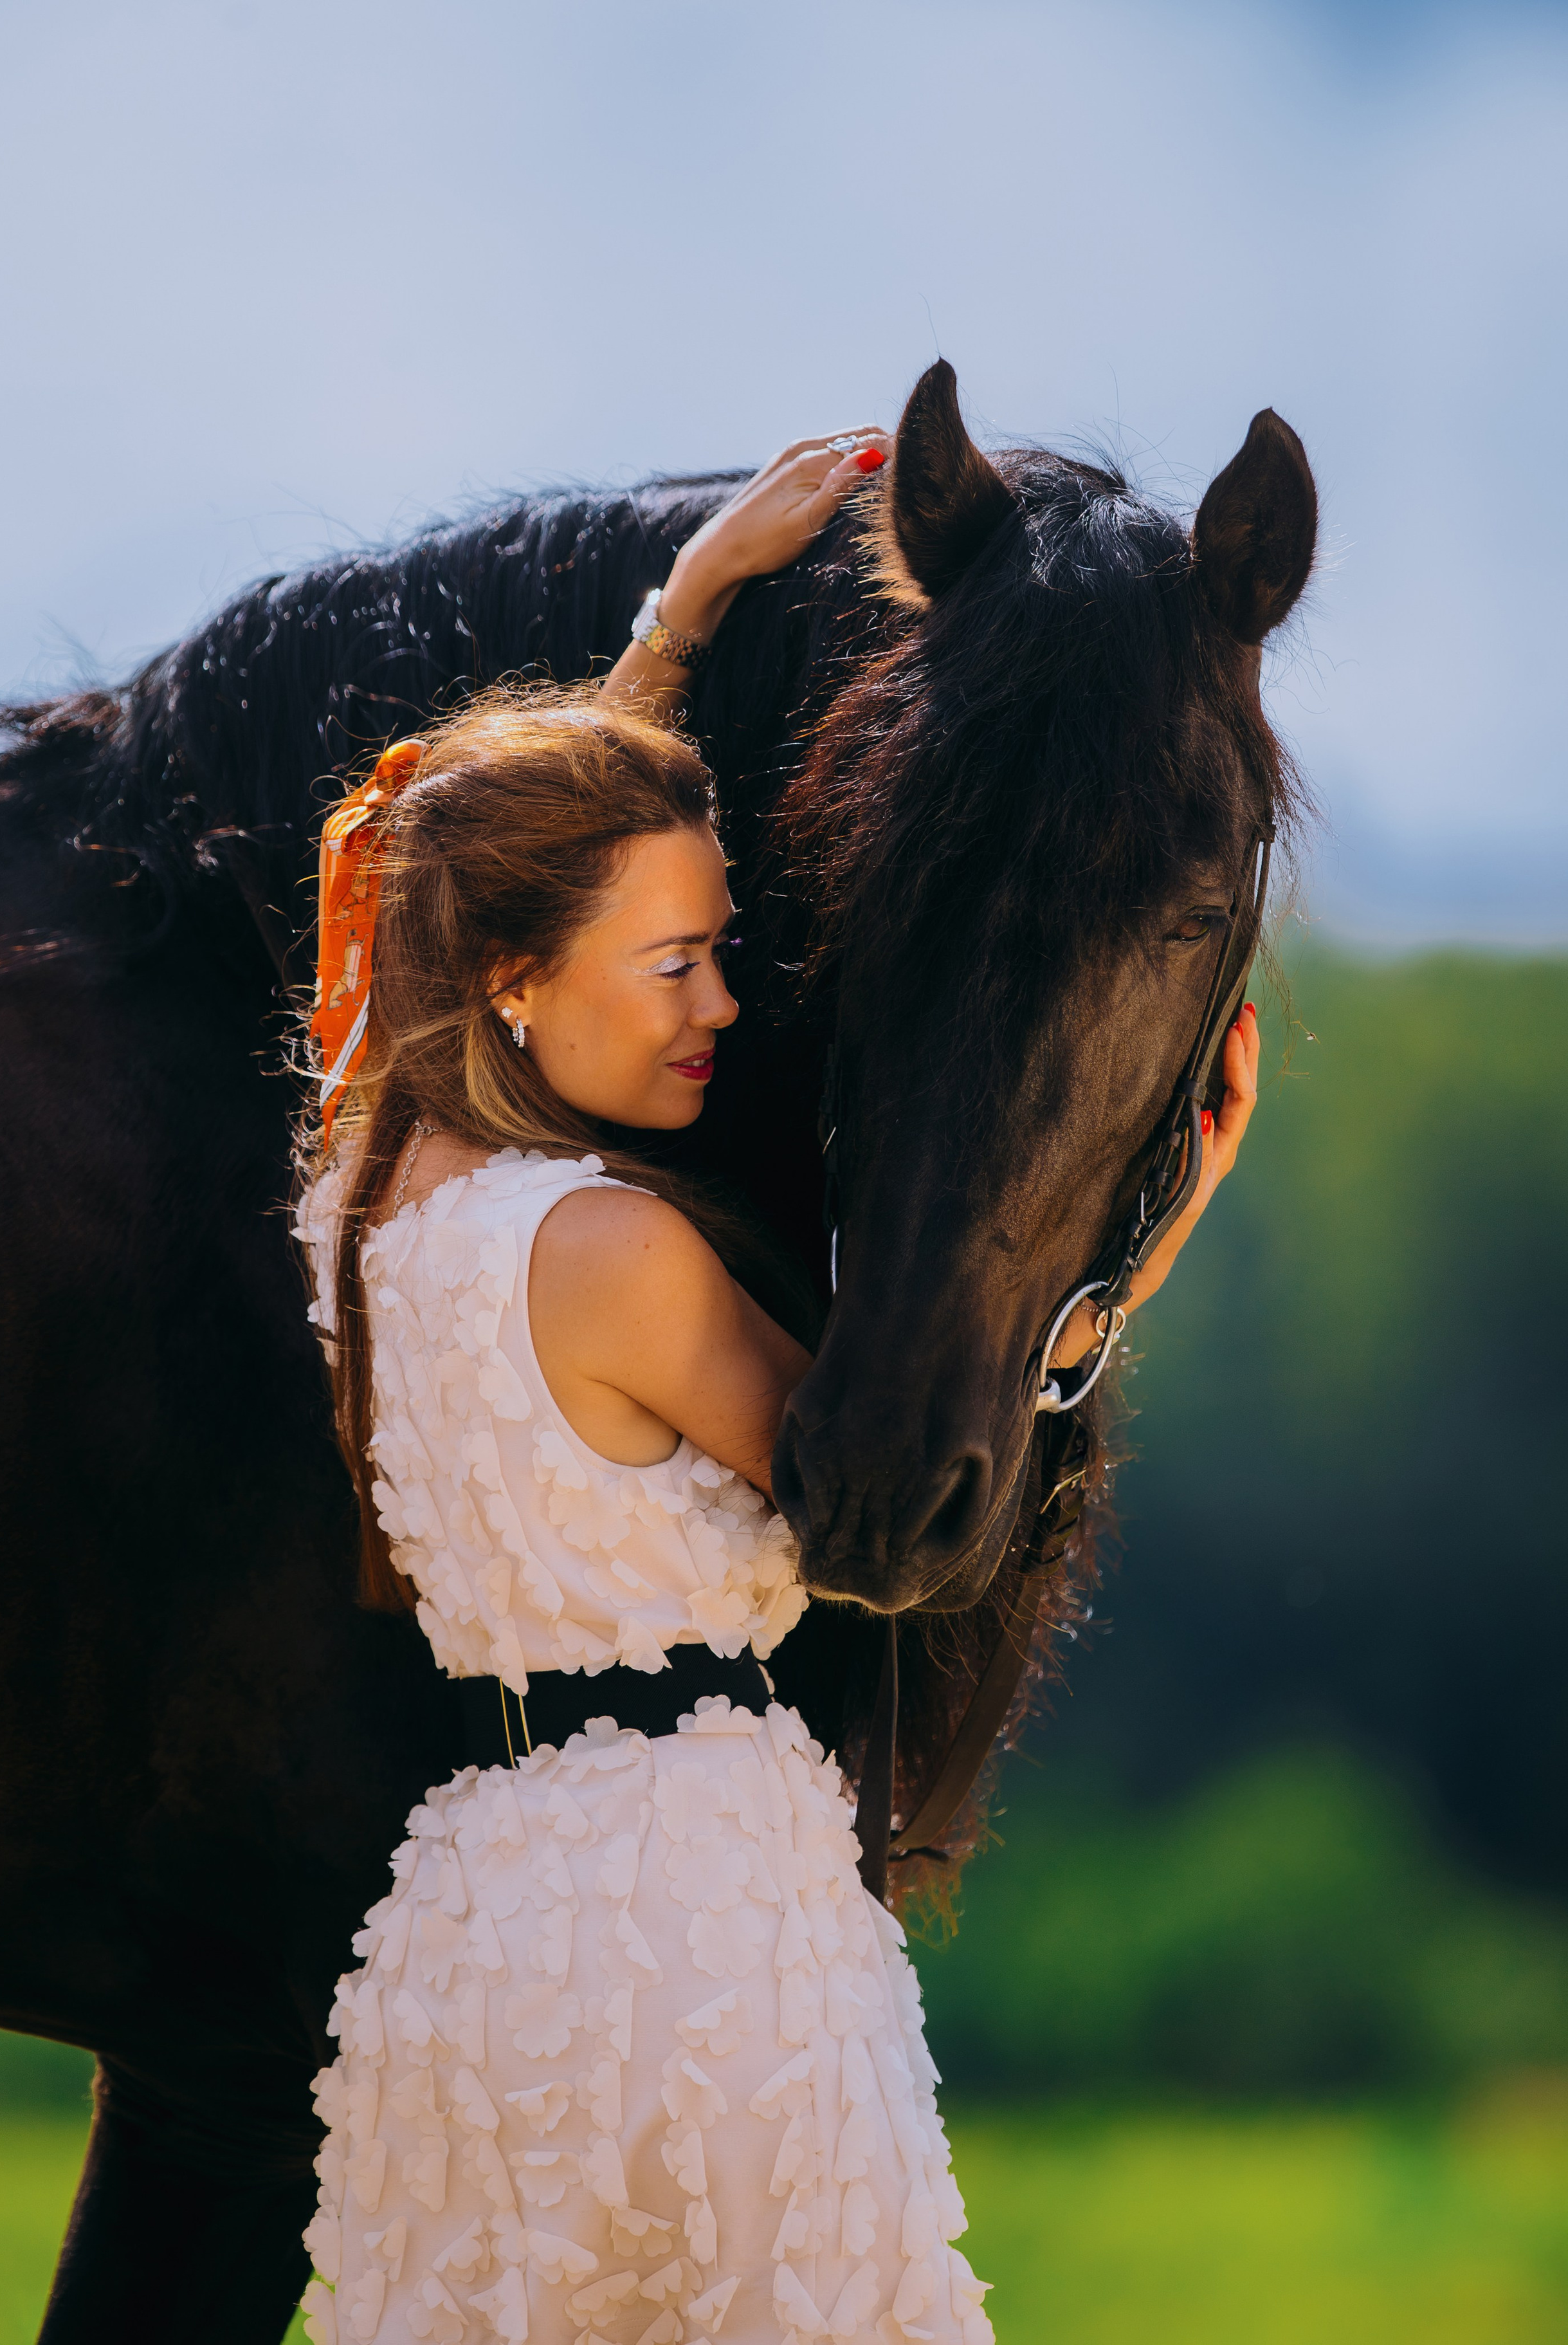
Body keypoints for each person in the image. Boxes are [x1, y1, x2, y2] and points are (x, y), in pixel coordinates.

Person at [295, 433, 1261, 2345]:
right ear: (523, 978)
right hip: (701, 1928)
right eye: (679, 965)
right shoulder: (627, 1265)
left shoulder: (364, 1191)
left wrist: (672, 635)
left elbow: (449, 929)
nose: (726, 1008)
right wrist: (1137, 1257)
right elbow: (871, 1491)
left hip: (473, 1928)